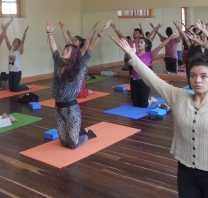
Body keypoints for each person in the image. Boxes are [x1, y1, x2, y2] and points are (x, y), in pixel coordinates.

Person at [109, 35, 208, 198]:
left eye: (204, 76)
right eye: (193, 75)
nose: (197, 80)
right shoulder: (178, 97)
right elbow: (152, 79)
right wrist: (133, 56)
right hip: (186, 174)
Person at [47, 20, 111, 149]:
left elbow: (89, 49)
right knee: (63, 143)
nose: (64, 50)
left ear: (74, 54)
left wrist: (100, 33)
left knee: (73, 145)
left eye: (68, 49)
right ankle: (77, 133)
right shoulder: (59, 64)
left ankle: (87, 135)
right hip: (58, 108)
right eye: (65, 48)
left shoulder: (79, 68)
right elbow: (54, 49)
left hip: (72, 110)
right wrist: (49, 33)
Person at [113, 29, 179, 108]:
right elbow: (122, 46)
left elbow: (161, 46)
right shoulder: (134, 53)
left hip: (144, 81)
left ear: (146, 45)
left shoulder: (150, 54)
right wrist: (113, 38)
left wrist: (171, 36)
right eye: (138, 42)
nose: (139, 44)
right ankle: (146, 98)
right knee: (135, 104)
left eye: (141, 42)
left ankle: (151, 100)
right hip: (134, 80)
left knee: (143, 105)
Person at [58, 21, 99, 97]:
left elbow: (87, 41)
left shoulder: (81, 50)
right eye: (72, 40)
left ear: (80, 42)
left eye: (75, 40)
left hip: (79, 70)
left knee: (80, 93)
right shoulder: (70, 48)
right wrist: (62, 28)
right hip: (70, 70)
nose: (73, 41)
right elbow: (66, 38)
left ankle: (87, 91)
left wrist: (93, 30)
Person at [2, 25, 30, 92]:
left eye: (15, 41)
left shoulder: (20, 51)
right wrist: (4, 31)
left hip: (17, 72)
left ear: (18, 44)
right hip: (11, 71)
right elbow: (6, 40)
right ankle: (19, 86)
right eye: (13, 41)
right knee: (11, 89)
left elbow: (23, 42)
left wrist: (24, 33)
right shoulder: (11, 50)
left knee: (15, 89)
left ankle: (26, 87)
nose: (13, 42)